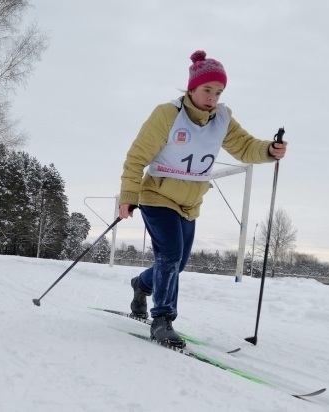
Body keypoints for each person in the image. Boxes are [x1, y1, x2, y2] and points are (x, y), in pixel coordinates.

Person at [118, 50, 287, 348]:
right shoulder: (167, 115)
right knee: (169, 256)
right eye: (207, 89)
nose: (212, 97)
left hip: (190, 204)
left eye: (218, 92)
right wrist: (129, 196)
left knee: (176, 265)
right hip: (157, 196)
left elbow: (245, 146)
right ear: (191, 88)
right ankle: (162, 319)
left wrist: (268, 150)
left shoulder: (222, 118)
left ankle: (141, 284)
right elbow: (136, 158)